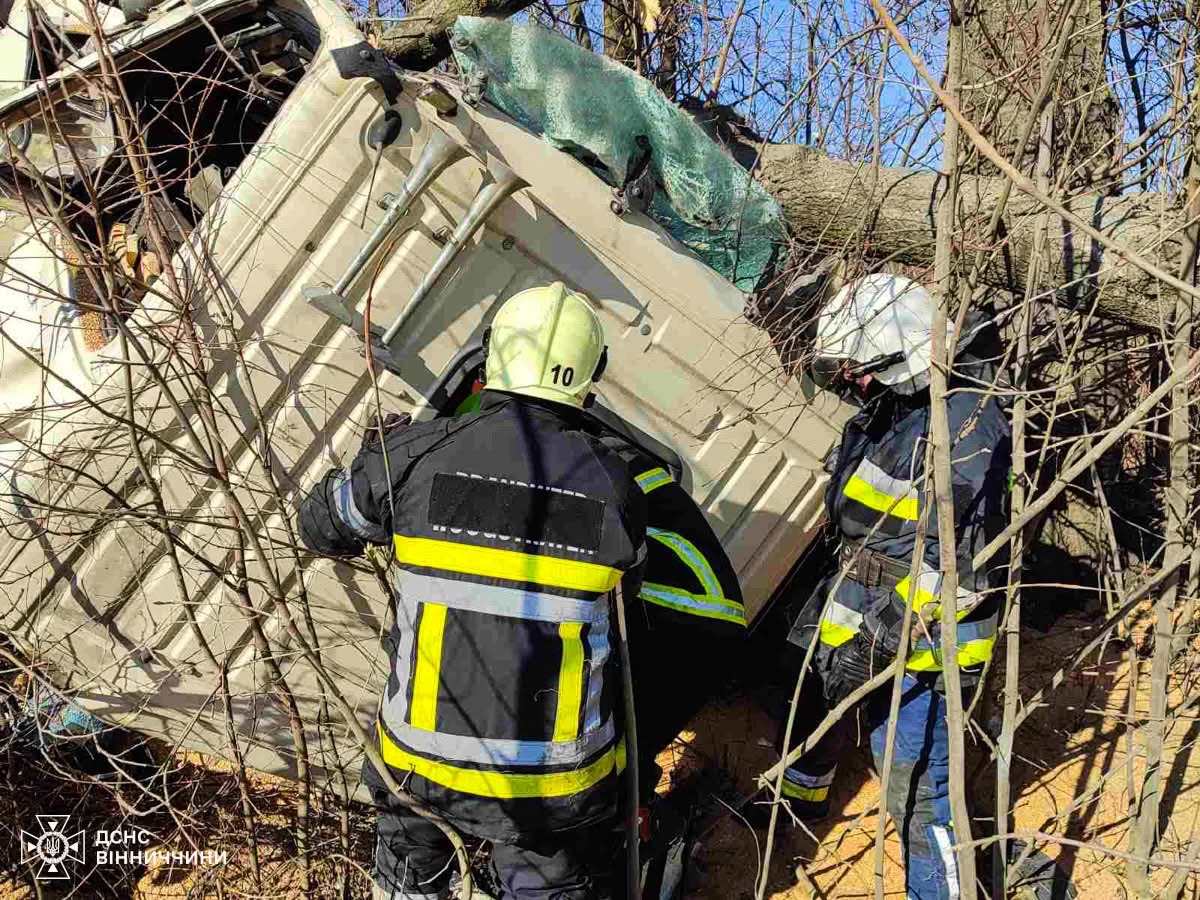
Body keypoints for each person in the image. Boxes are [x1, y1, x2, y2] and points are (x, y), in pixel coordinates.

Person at [297, 283, 647, 900]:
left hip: (421, 769)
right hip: (553, 785)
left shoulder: (414, 455)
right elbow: (625, 608)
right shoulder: (616, 487)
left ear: (491, 360)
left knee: (410, 871)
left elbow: (322, 526)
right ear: (591, 378)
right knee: (544, 882)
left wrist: (376, 460)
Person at [781, 274, 1011, 900]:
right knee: (841, 728)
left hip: (925, 646)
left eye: (863, 368)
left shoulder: (965, 425)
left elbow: (955, 569)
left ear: (904, 352)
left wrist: (881, 639)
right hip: (871, 612)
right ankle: (794, 809)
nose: (856, 381)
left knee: (918, 794)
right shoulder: (900, 403)